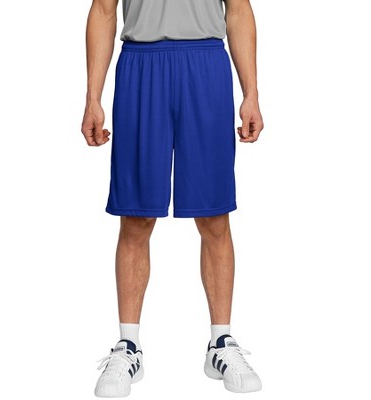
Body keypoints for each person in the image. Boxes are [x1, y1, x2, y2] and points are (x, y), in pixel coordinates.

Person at [81, 0, 264, 397]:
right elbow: (103, 11)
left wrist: (251, 92)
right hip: (141, 63)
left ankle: (221, 342)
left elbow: (238, 10)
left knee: (214, 214)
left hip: (205, 63)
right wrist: (92, 96)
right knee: (135, 215)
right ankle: (128, 346)